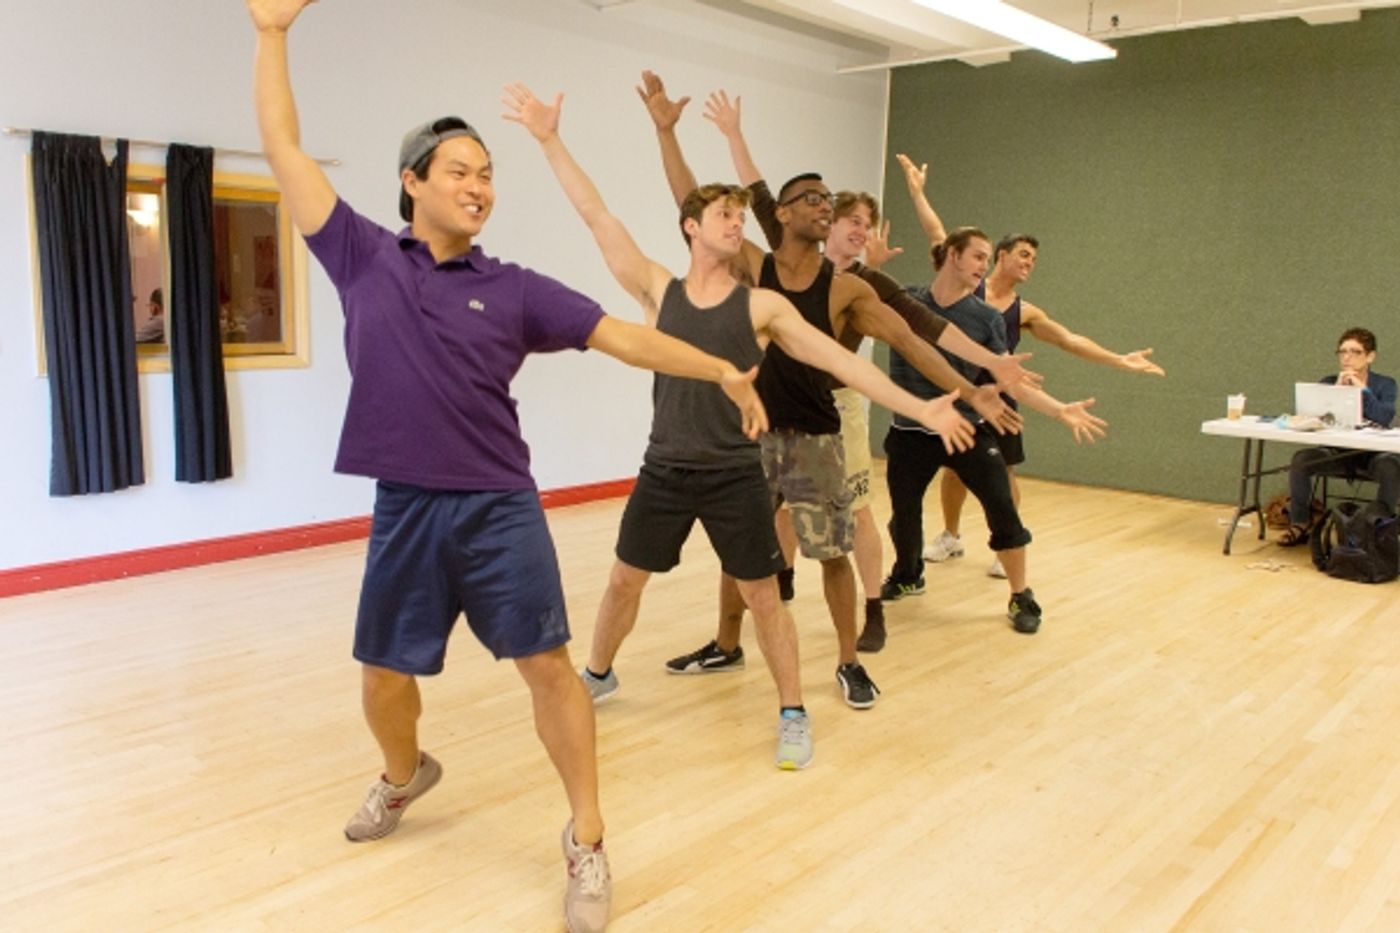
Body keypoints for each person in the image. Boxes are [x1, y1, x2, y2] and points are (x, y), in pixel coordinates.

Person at [245, 5, 766, 931]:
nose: (479, 186)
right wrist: (272, 35)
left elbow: (625, 337)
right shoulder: (363, 256)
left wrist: (720, 366)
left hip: (498, 507)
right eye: (459, 170)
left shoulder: (515, 288)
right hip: (406, 506)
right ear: (412, 181)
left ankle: (588, 837)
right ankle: (404, 774)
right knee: (381, 678)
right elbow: (283, 147)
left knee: (550, 668)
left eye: (488, 173)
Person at [501, 84, 973, 765]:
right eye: (724, 214)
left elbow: (842, 360)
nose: (735, 223)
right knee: (624, 580)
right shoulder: (657, 289)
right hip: (665, 466)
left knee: (764, 595)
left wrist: (921, 406)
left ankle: (793, 711)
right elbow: (595, 214)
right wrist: (549, 139)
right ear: (691, 228)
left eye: (739, 215)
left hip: (734, 472)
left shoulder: (764, 309)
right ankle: (599, 672)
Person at [638, 75, 1034, 694]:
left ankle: (849, 661)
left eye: (829, 199)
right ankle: (727, 645)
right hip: (753, 436)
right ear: (783, 213)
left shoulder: (847, 288)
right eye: (811, 199)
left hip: (814, 440)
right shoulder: (755, 267)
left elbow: (911, 339)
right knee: (741, 553)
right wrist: (666, 132)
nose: (824, 206)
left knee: (831, 557)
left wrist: (970, 387)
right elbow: (691, 202)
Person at [891, 155, 1165, 577]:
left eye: (1034, 260)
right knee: (951, 472)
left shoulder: (1025, 311)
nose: (1028, 263)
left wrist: (1118, 359)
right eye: (1022, 255)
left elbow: (1070, 340)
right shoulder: (967, 282)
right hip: (956, 394)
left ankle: (1006, 548)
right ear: (998, 256)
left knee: (1001, 476)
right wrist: (917, 193)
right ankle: (949, 536)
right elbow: (937, 233)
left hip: (1003, 396)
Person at [883, 227, 1107, 636]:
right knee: (904, 515)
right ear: (953, 255)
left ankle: (1020, 595)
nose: (984, 266)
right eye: (978, 257)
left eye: (988, 259)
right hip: (910, 431)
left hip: (968, 428)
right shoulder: (907, 301)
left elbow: (1011, 379)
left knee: (1003, 508)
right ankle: (907, 574)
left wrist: (1059, 410)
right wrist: (871, 263)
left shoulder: (986, 318)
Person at [1279, 327, 1399, 546]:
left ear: (1370, 356)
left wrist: (1363, 390)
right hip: (1337, 452)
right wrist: (1335, 392)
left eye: (1355, 352)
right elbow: (1315, 419)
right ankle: (1300, 522)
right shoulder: (1328, 381)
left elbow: (1384, 417)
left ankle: (1381, 527)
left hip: (1372, 455)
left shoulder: (1385, 384)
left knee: (1390, 466)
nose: (1347, 357)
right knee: (1301, 460)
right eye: (1342, 352)